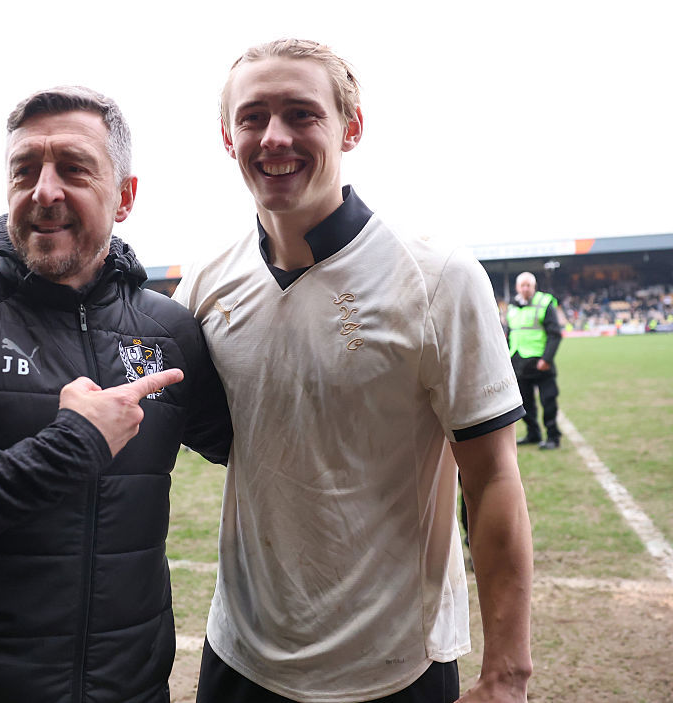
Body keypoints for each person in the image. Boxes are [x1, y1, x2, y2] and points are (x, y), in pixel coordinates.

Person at [173, 39, 533, 703]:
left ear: (352, 127)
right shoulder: (204, 282)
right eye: (252, 117)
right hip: (241, 656)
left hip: (393, 666)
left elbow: (493, 476)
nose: (274, 136)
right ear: (228, 137)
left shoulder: (438, 278)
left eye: (301, 114)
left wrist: (506, 674)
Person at [0, 86, 231, 702]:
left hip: (130, 687)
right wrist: (69, 446)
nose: (44, 190)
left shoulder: (170, 330)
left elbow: (262, 446)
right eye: (24, 170)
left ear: (125, 196)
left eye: (73, 169)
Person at [506, 272, 562, 450]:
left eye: (528, 285)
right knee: (524, 402)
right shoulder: (511, 307)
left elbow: (555, 334)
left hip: (540, 362)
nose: (525, 288)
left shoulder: (544, 303)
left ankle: (553, 436)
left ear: (534, 286)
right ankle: (533, 433)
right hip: (518, 362)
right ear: (517, 287)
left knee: (548, 400)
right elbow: (509, 334)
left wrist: (546, 359)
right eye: (522, 285)